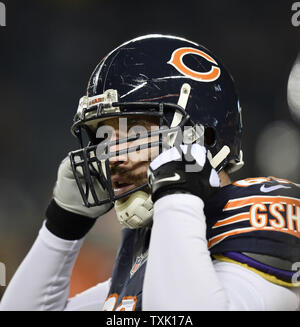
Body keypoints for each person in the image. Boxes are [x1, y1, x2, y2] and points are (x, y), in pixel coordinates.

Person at [1, 34, 300, 311]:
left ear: (203, 135)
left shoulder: (261, 212)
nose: (111, 157)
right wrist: (62, 226)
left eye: (134, 133)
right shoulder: (149, 244)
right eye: (103, 139)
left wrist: (178, 196)